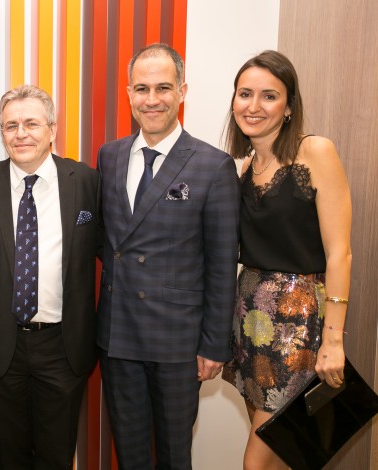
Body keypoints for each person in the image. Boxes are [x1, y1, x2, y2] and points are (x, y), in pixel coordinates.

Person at [96, 43, 240, 469]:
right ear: (129, 93)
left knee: (175, 456)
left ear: (182, 91)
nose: (152, 99)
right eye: (142, 89)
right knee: (130, 455)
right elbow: (105, 237)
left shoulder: (213, 166)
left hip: (178, 342)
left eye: (163, 88)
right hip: (118, 335)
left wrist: (214, 344)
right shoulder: (110, 155)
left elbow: (221, 264)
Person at [221, 50, 352, 469]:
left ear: (289, 106)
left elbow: (340, 252)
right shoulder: (243, 168)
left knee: (257, 462)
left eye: (269, 96)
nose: (254, 106)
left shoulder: (315, 152)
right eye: (245, 94)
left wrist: (333, 339)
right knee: (286, 452)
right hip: (249, 318)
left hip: (297, 322)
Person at [0, 85, 100, 469]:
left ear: (52, 129)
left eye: (31, 124)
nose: (20, 134)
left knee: (57, 457)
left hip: (63, 345)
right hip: (1, 345)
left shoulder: (86, 181)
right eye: (10, 126)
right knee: (10, 457)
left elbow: (110, 250)